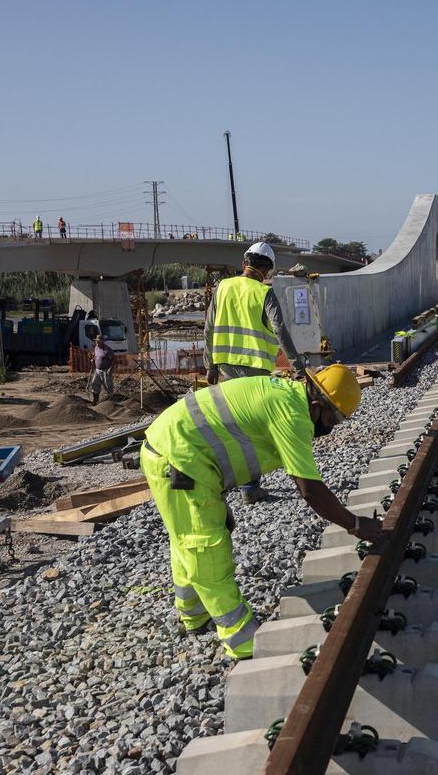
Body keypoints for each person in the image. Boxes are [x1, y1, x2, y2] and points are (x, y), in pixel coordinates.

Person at [141, 366, 383, 660]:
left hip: (183, 451)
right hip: (178, 457)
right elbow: (311, 492)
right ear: (318, 404)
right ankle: (241, 638)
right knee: (205, 543)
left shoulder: (288, 396)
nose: (332, 427)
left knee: (187, 538)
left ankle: (193, 615)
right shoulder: (292, 415)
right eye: (334, 418)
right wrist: (356, 524)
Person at [204, 242, 303, 385]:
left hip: (226, 367)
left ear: (244, 264)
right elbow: (279, 329)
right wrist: (298, 368)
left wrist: (211, 367)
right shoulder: (265, 292)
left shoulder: (222, 287)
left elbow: (209, 330)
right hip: (257, 368)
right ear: (266, 270)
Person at [90, 336, 116, 404]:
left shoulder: (107, 349)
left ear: (102, 341)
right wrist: (93, 359)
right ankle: (95, 400)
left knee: (108, 385)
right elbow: (96, 356)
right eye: (96, 341)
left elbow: (113, 359)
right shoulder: (96, 348)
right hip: (97, 370)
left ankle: (110, 401)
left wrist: (111, 368)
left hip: (106, 370)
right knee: (94, 383)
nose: (97, 343)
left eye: (98, 341)